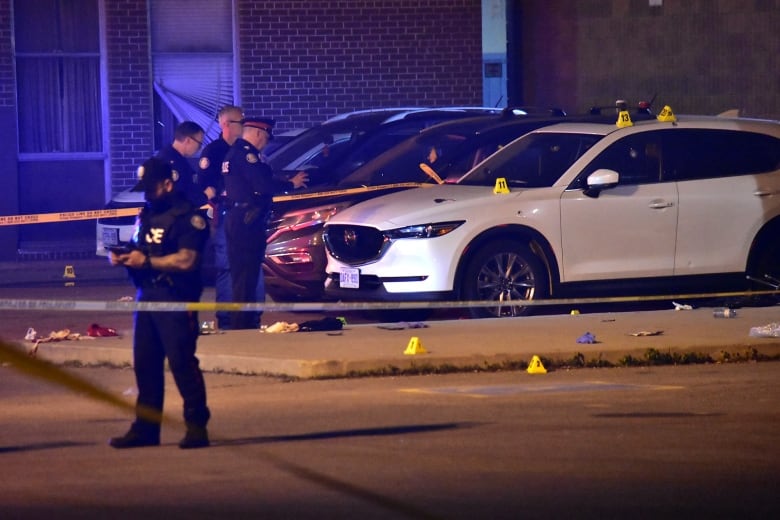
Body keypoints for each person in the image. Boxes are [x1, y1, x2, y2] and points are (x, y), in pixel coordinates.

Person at [108, 157, 211, 449]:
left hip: (175, 298)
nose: (147, 195)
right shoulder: (147, 214)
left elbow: (187, 259)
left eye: (152, 189)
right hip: (148, 298)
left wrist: (148, 261)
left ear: (168, 184)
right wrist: (123, 256)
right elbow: (139, 247)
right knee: (146, 365)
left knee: (182, 363)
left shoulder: (189, 218)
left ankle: (196, 427)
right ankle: (145, 429)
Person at [222, 117, 308, 329]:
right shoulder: (248, 155)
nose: (265, 143)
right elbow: (262, 185)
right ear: (259, 134)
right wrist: (290, 183)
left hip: (239, 217)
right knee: (246, 275)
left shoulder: (235, 152)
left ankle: (242, 321)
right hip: (247, 220)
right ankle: (242, 324)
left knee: (243, 274)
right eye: (266, 138)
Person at [198, 106, 244, 330]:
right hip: (223, 214)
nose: (243, 125)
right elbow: (206, 185)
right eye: (239, 122)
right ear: (225, 124)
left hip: (242, 215)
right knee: (226, 266)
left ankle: (243, 315)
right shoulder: (213, 152)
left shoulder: (242, 150)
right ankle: (225, 316)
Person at [157, 121, 208, 207]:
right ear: (188, 140)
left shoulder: (176, 159)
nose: (199, 149)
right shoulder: (169, 162)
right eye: (199, 144)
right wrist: (204, 196)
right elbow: (180, 197)